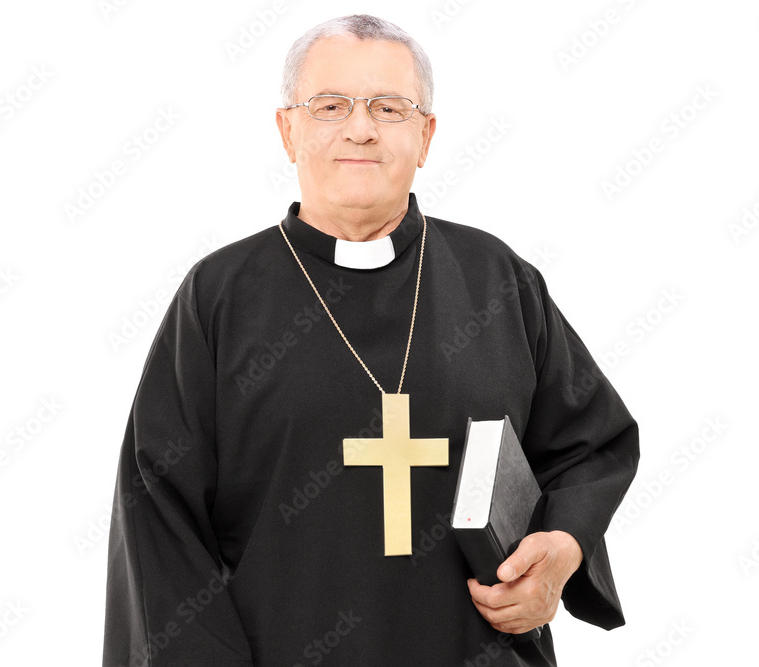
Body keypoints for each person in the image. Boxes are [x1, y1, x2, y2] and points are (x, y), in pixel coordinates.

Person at [103, 13, 639, 667]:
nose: (361, 128)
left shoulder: (495, 279)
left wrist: (562, 547)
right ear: (288, 129)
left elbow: (592, 443)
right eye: (330, 105)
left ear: (426, 134)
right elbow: (160, 520)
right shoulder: (219, 297)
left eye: (389, 106)